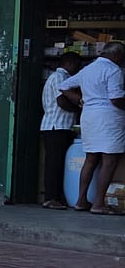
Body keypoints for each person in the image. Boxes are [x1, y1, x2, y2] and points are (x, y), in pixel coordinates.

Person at [60, 42, 125, 214]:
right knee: (109, 160)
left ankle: (81, 201)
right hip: (108, 118)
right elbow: (116, 98)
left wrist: (78, 99)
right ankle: (98, 204)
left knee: (90, 159)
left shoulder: (88, 69)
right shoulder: (113, 70)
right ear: (117, 55)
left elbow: (64, 85)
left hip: (89, 117)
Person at [41, 52, 83, 209]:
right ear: (70, 64)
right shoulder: (60, 77)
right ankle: (51, 198)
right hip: (56, 126)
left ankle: (56, 197)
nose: (78, 70)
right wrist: (79, 108)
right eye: (77, 66)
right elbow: (62, 102)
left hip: (58, 126)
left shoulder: (56, 77)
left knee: (57, 163)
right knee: (55, 164)